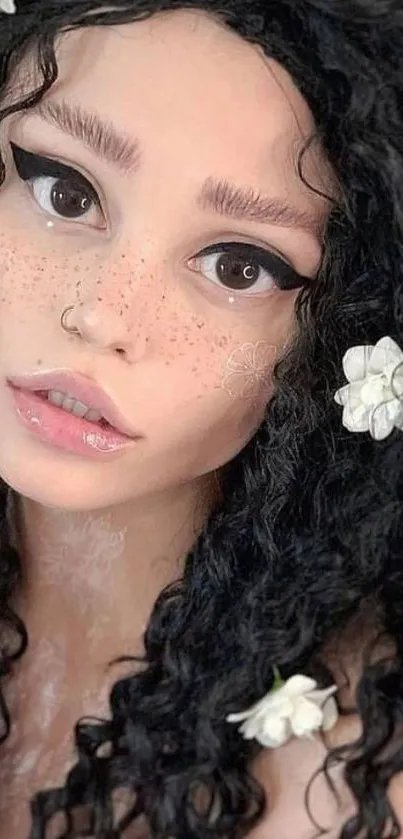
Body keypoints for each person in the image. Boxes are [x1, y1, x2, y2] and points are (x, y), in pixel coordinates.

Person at [0, 0, 401, 836]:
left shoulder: (351, 777)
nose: (103, 315)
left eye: (236, 264)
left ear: (342, 333)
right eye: (63, 190)